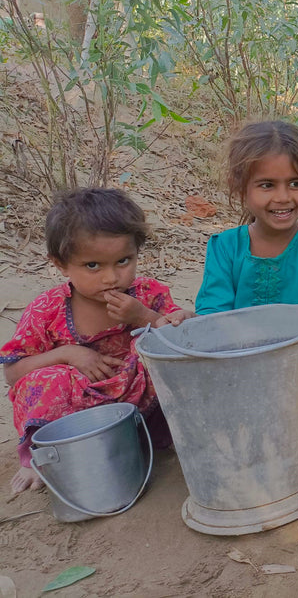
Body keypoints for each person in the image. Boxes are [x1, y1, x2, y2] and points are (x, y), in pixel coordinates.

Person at [2, 188, 190, 494]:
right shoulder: (47, 309)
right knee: (49, 379)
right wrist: (68, 354)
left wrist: (145, 316)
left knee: (164, 364)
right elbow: (13, 373)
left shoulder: (146, 294)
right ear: (61, 264)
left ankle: (149, 440)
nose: (111, 277)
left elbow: (180, 339)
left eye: (123, 261)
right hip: (77, 414)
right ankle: (39, 457)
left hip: (136, 401)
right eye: (93, 266)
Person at [194, 120, 298, 387]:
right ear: (241, 187)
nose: (283, 197)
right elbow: (212, 312)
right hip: (240, 358)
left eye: (295, 183)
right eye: (267, 185)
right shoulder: (225, 246)